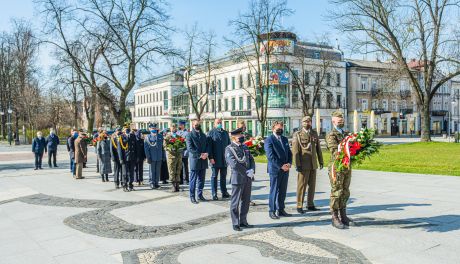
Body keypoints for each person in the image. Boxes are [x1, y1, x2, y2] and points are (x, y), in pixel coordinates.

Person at [326, 111, 355, 229]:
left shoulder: (347, 134)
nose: (341, 122)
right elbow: (334, 150)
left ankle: (344, 215)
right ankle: (334, 217)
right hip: (336, 167)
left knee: (345, 190)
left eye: (342, 120)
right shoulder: (331, 135)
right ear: (333, 121)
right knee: (337, 191)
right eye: (339, 120)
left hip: (346, 167)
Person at [292, 116, 324, 214]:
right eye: (305, 122)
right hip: (303, 164)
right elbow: (295, 150)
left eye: (309, 121)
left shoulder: (314, 133)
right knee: (302, 186)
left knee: (312, 186)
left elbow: (318, 148)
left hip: (313, 164)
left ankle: (310, 204)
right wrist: (297, 164)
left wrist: (321, 161)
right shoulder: (297, 134)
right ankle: (299, 205)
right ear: (302, 123)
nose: (307, 123)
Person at [225, 127, 255, 231]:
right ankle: (235, 223)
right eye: (239, 135)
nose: (242, 137)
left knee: (246, 201)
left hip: (248, 178)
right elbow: (234, 164)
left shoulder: (245, 147)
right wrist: (246, 172)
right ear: (234, 137)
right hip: (237, 178)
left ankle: (243, 221)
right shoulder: (229, 149)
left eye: (241, 135)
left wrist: (252, 170)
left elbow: (251, 160)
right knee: (235, 202)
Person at [264, 121, 292, 220]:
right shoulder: (269, 140)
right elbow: (270, 156)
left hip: (285, 169)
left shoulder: (284, 139)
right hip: (275, 169)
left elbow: (289, 152)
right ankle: (272, 210)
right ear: (273, 129)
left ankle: (281, 209)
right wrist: (281, 166)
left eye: (281, 128)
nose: (280, 130)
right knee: (274, 190)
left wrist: (289, 163)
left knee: (283, 191)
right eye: (278, 129)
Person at [207, 118, 231, 200]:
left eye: (220, 122)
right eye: (218, 122)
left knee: (223, 176)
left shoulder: (225, 133)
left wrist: (229, 157)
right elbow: (209, 147)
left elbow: (229, 145)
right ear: (214, 124)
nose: (219, 124)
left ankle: (224, 192)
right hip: (215, 159)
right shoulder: (211, 133)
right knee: (214, 176)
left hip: (224, 159)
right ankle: (214, 193)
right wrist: (210, 157)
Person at [186, 119, 209, 204]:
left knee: (201, 180)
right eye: (196, 125)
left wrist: (207, 153)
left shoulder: (203, 135)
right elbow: (190, 148)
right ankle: (192, 196)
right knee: (193, 180)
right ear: (193, 125)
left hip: (203, 160)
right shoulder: (189, 135)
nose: (198, 126)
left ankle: (200, 195)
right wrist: (200, 155)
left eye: (199, 124)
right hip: (195, 160)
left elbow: (207, 145)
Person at [237, 121, 256, 206]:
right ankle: (239, 199)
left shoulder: (247, 134)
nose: (243, 128)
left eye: (244, 126)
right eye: (241, 127)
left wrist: (254, 144)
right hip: (240, 163)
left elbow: (253, 142)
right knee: (240, 183)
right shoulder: (235, 135)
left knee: (248, 183)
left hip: (248, 161)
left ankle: (248, 199)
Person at [117, 126, 137, 191]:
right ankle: (124, 185)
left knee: (132, 172)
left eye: (128, 129)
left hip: (132, 157)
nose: (127, 131)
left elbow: (136, 147)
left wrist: (136, 157)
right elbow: (119, 149)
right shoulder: (121, 137)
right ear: (123, 131)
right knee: (125, 173)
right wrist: (121, 159)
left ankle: (130, 185)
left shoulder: (133, 136)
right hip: (125, 158)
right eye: (125, 130)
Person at [164, 124, 183, 192]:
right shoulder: (167, 137)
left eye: (174, 127)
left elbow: (183, 144)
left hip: (178, 156)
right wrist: (170, 148)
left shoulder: (179, 136)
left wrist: (182, 148)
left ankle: (177, 185)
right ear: (170, 128)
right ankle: (173, 185)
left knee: (178, 170)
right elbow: (165, 146)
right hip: (171, 157)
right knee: (172, 171)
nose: (173, 128)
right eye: (172, 127)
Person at [144, 123, 163, 189]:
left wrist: (163, 156)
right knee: (152, 171)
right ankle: (152, 183)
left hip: (159, 157)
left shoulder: (160, 136)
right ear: (149, 129)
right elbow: (146, 149)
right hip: (152, 157)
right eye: (152, 128)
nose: (153, 129)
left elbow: (162, 148)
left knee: (157, 171)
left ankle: (156, 183)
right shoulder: (147, 137)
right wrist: (148, 157)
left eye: (154, 128)